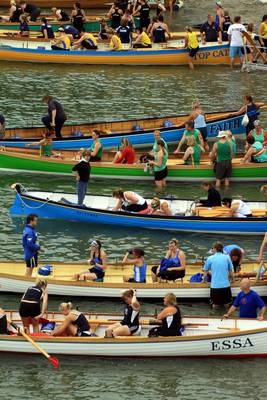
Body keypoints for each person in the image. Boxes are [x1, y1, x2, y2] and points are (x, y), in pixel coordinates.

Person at [203, 241, 234, 308]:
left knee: (215, 306)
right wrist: (233, 280)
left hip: (215, 286)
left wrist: (203, 280)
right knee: (227, 305)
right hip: (226, 285)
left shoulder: (210, 258)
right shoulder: (227, 257)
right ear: (222, 249)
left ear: (214, 249)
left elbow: (205, 271)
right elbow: (231, 271)